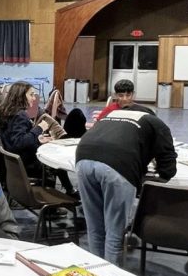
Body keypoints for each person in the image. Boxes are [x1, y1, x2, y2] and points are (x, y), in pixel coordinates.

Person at [74, 102, 177, 264]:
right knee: (114, 235)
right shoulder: (154, 122)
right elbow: (169, 168)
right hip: (118, 166)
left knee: (94, 229)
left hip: (82, 159)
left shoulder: (111, 115)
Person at [0, 81, 75, 194]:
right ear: (21, 96)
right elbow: (19, 143)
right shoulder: (20, 115)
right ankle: (51, 203)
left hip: (12, 161)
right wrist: (39, 128)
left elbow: (14, 139)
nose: (34, 98)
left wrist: (37, 138)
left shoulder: (3, 112)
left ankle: (69, 190)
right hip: (24, 163)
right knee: (54, 161)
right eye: (31, 95)